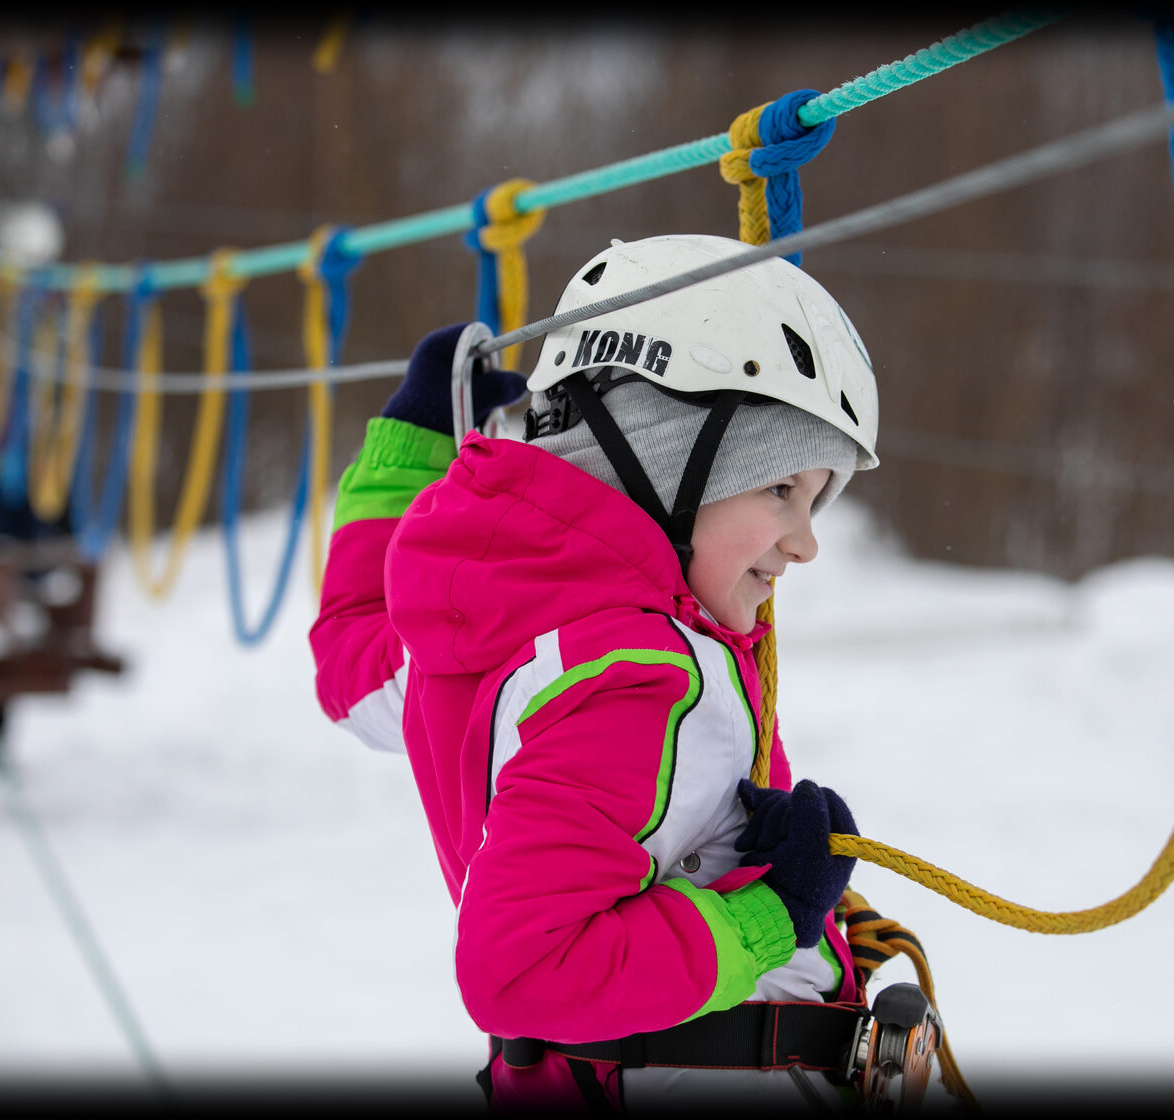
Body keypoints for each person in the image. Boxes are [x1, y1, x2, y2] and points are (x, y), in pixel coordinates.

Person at [311, 233, 882, 1112]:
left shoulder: (487, 615)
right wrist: (775, 916)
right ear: (663, 456)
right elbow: (523, 967)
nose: (806, 542)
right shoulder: (645, 675)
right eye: (779, 489)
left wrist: (408, 452)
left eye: (815, 501)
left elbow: (352, 669)